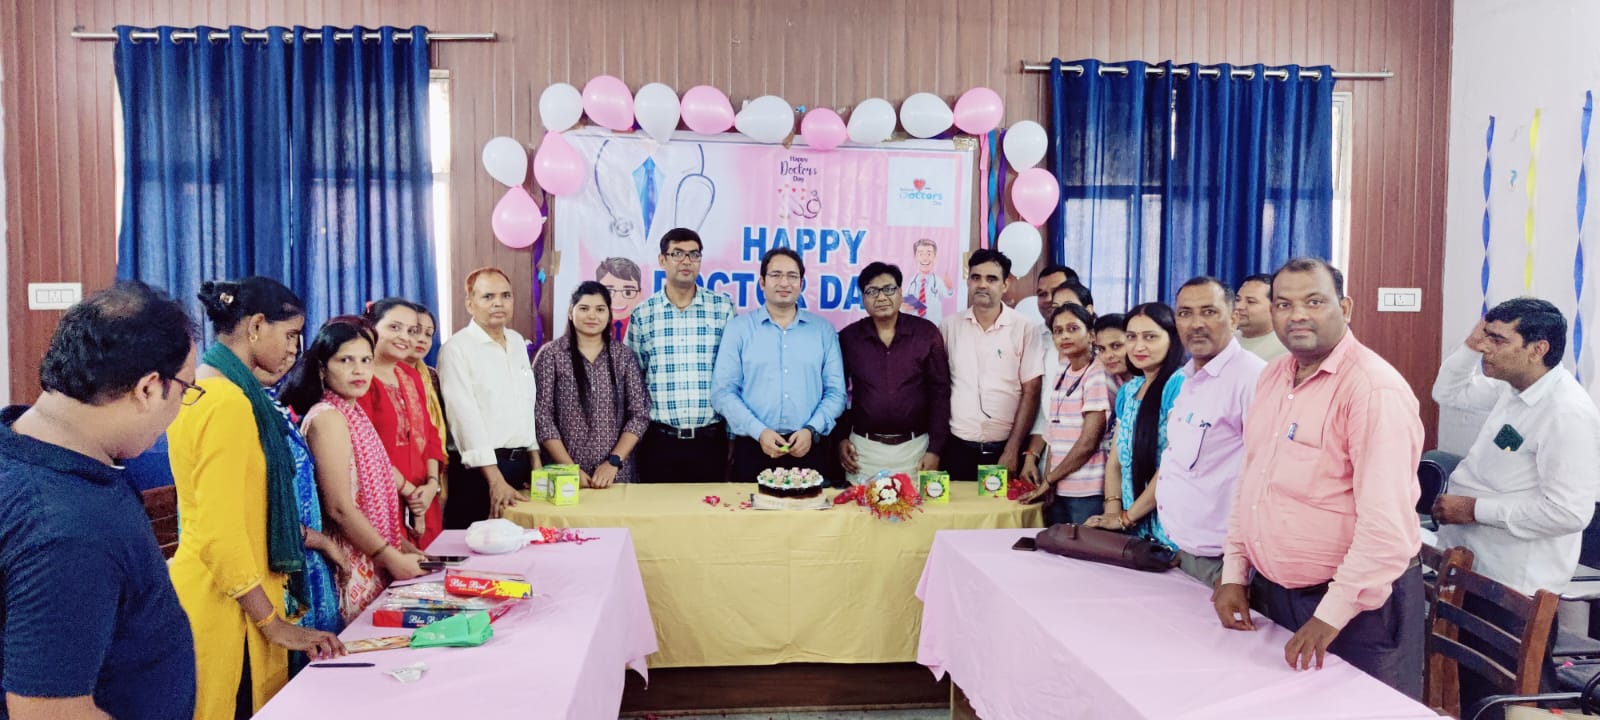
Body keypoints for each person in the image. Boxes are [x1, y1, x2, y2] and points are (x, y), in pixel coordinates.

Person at [1213, 257, 1424, 698]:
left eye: (1314, 301)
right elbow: (1252, 485)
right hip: (1279, 596)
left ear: (1344, 308)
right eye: (1284, 304)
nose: (1298, 315)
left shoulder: (1372, 389)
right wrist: (1235, 571)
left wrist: (1330, 616)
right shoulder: (1273, 377)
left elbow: (1385, 527)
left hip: (1357, 610)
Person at [0, 282, 198, 718]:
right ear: (149, 388)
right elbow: (49, 713)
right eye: (186, 390)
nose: (182, 406)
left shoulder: (25, 442)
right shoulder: (66, 527)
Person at [167, 277, 343, 718]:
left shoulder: (205, 389)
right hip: (227, 605)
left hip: (222, 590)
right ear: (256, 325)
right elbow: (220, 532)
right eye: (289, 335)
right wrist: (274, 624)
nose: (294, 350)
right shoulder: (228, 403)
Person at [1431, 298, 1600, 595]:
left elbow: (1569, 513)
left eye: (1497, 340)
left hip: (1513, 585)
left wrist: (1475, 509)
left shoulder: (1567, 413)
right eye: (1486, 336)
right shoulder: (1511, 387)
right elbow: (1447, 393)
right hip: (1471, 564)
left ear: (1538, 350)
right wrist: (1471, 345)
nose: (1486, 347)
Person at [285, 318, 429, 624]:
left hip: (368, 553)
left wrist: (401, 547)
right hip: (347, 564)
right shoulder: (327, 418)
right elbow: (338, 508)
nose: (359, 370)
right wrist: (391, 558)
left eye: (365, 360)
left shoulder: (351, 412)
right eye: (345, 360)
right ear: (323, 369)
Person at [1155, 277, 1266, 588]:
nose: (1196, 324)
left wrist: (1236, 573)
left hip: (1226, 564)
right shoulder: (1187, 379)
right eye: (1185, 313)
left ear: (1233, 318)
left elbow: (1263, 476)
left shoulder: (1251, 378)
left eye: (1209, 312)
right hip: (1183, 551)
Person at [712, 247, 846, 482]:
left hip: (809, 448)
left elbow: (836, 393)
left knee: (809, 517)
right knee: (752, 517)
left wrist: (811, 430)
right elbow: (723, 392)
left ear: (801, 284)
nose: (784, 282)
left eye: (792, 276)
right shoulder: (739, 329)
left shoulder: (822, 331)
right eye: (775, 275)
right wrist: (758, 431)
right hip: (754, 447)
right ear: (762, 282)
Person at [251, 347, 345, 658]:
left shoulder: (275, 410)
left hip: (309, 559)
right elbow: (255, 511)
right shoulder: (243, 415)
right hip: (284, 564)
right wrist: (320, 541)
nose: (289, 351)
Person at [627, 228, 737, 483]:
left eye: (693, 254)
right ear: (662, 259)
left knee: (708, 518)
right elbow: (634, 383)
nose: (686, 261)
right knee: (658, 518)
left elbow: (732, 378)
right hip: (658, 441)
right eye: (677, 253)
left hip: (710, 440)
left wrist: (732, 437)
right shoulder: (643, 314)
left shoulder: (722, 308)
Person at [835, 262, 951, 482]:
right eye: (872, 291)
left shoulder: (926, 334)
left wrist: (935, 449)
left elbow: (940, 393)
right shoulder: (849, 338)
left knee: (917, 515)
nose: (881, 297)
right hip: (864, 452)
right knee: (860, 515)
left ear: (900, 292)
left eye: (889, 289)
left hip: (916, 450)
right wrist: (840, 439)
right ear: (863, 298)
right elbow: (838, 393)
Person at [439, 267, 537, 527]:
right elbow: (464, 418)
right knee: (478, 557)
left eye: (506, 295)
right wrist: (495, 480)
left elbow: (526, 404)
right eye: (488, 297)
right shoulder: (456, 349)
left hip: (520, 468)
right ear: (470, 304)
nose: (498, 303)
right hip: (480, 473)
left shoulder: (516, 342)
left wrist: (535, 462)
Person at [1083, 304, 1186, 549]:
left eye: (1150, 337)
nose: (1138, 347)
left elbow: (1171, 468)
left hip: (1168, 528)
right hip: (1131, 526)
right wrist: (1112, 512)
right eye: (1131, 337)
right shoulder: (1129, 390)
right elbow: (1115, 462)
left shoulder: (1180, 384)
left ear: (1172, 339)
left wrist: (1126, 519)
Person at [940, 248, 1044, 482]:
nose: (982, 285)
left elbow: (1032, 390)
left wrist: (1012, 449)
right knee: (958, 517)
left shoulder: (1025, 328)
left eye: (992, 279)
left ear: (1005, 285)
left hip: (1006, 449)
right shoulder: (949, 327)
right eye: (976, 277)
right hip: (957, 447)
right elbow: (939, 387)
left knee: (1002, 517)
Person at [535, 282, 651, 487]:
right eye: (584, 308)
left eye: (600, 309)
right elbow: (541, 416)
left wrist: (613, 462)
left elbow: (639, 414)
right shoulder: (551, 355)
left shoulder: (623, 357)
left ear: (608, 315)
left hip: (615, 476)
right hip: (563, 477)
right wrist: (569, 468)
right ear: (571, 312)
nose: (592, 316)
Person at [360, 299, 446, 549]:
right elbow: (367, 449)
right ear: (371, 328)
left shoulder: (410, 376)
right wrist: (408, 491)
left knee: (429, 578)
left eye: (412, 331)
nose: (406, 337)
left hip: (423, 498)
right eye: (394, 328)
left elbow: (430, 435)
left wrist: (431, 485)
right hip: (385, 498)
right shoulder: (361, 379)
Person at [1020, 302, 1116, 525]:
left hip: (1088, 489)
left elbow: (1088, 442)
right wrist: (1049, 478)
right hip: (1060, 485)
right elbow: (1053, 432)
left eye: (1073, 329)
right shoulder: (1063, 369)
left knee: (1082, 555)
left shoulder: (1097, 373)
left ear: (1091, 335)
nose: (1064, 336)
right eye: (1058, 331)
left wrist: (1051, 479)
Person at [408, 304, 450, 465]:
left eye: (428, 334)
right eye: (415, 331)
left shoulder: (431, 376)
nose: (422, 339)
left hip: (434, 461)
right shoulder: (385, 377)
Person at [1234, 273, 1289, 362]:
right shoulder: (1225, 341)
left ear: (1274, 307)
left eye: (1251, 302)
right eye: (1237, 300)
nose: (1238, 306)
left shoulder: (1286, 348)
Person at [904, 238, 955, 323]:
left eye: (929, 254)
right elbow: (906, 299)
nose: (925, 258)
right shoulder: (912, 281)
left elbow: (947, 294)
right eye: (921, 254)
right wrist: (905, 306)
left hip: (933, 323)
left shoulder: (938, 281)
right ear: (915, 257)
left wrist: (949, 288)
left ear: (935, 257)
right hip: (915, 323)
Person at [596, 256, 644, 342]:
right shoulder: (590, 326)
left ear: (640, 295)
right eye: (609, 291)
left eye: (628, 292)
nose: (618, 300)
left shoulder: (644, 328)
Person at [1093, 313, 1133, 385]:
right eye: (1102, 349)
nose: (1108, 355)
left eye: (1116, 346)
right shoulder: (1104, 379)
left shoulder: (1152, 384)